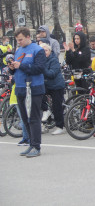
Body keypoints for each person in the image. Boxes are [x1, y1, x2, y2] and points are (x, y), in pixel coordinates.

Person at [9, 27, 46, 158]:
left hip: (34, 88)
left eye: (21, 39)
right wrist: (12, 68)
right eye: (17, 40)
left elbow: (40, 68)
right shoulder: (18, 51)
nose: (19, 42)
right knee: (25, 118)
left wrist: (21, 66)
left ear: (28, 37)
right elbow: (17, 69)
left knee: (33, 118)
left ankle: (36, 146)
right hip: (20, 88)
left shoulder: (38, 50)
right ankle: (31, 143)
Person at [40, 43, 66, 135]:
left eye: (46, 50)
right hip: (46, 85)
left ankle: (60, 126)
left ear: (49, 51)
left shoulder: (53, 60)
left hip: (56, 86)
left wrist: (42, 69)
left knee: (57, 106)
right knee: (38, 94)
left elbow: (52, 74)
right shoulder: (40, 61)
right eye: (42, 51)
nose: (44, 52)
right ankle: (46, 111)